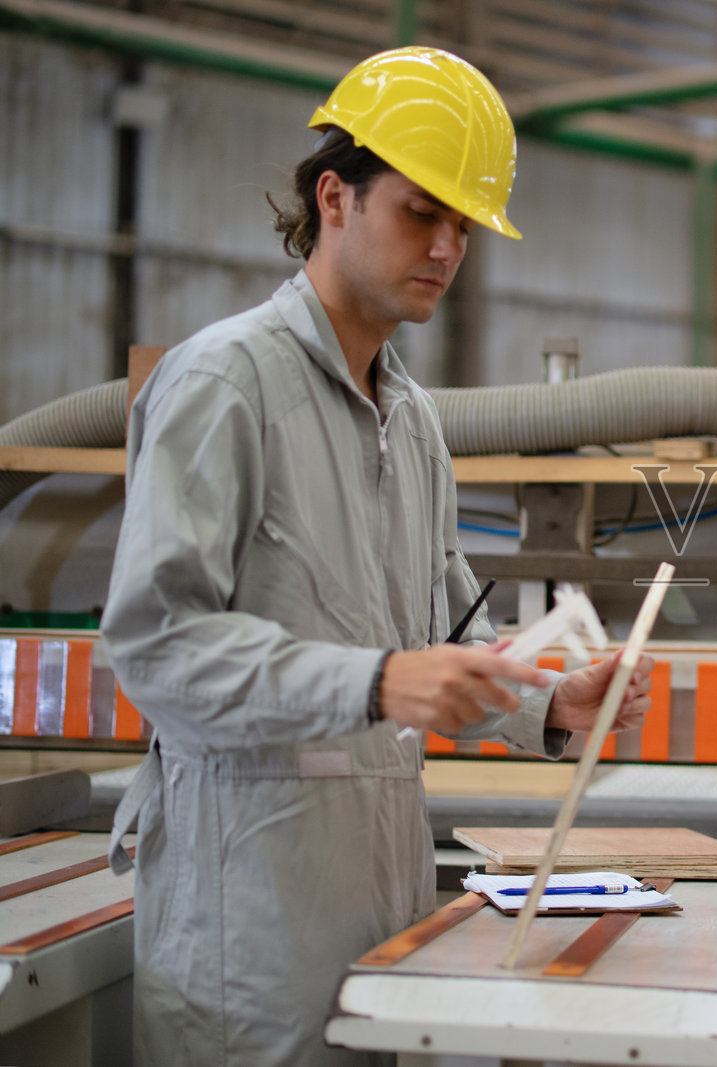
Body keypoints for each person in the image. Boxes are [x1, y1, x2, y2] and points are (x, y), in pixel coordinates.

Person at [100, 47, 654, 1066]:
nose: (446, 245)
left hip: (379, 911)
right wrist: (380, 679)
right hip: (249, 931)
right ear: (335, 197)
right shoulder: (223, 384)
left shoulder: (411, 422)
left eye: (466, 227)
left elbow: (443, 637)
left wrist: (547, 705)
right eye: (421, 211)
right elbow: (157, 649)